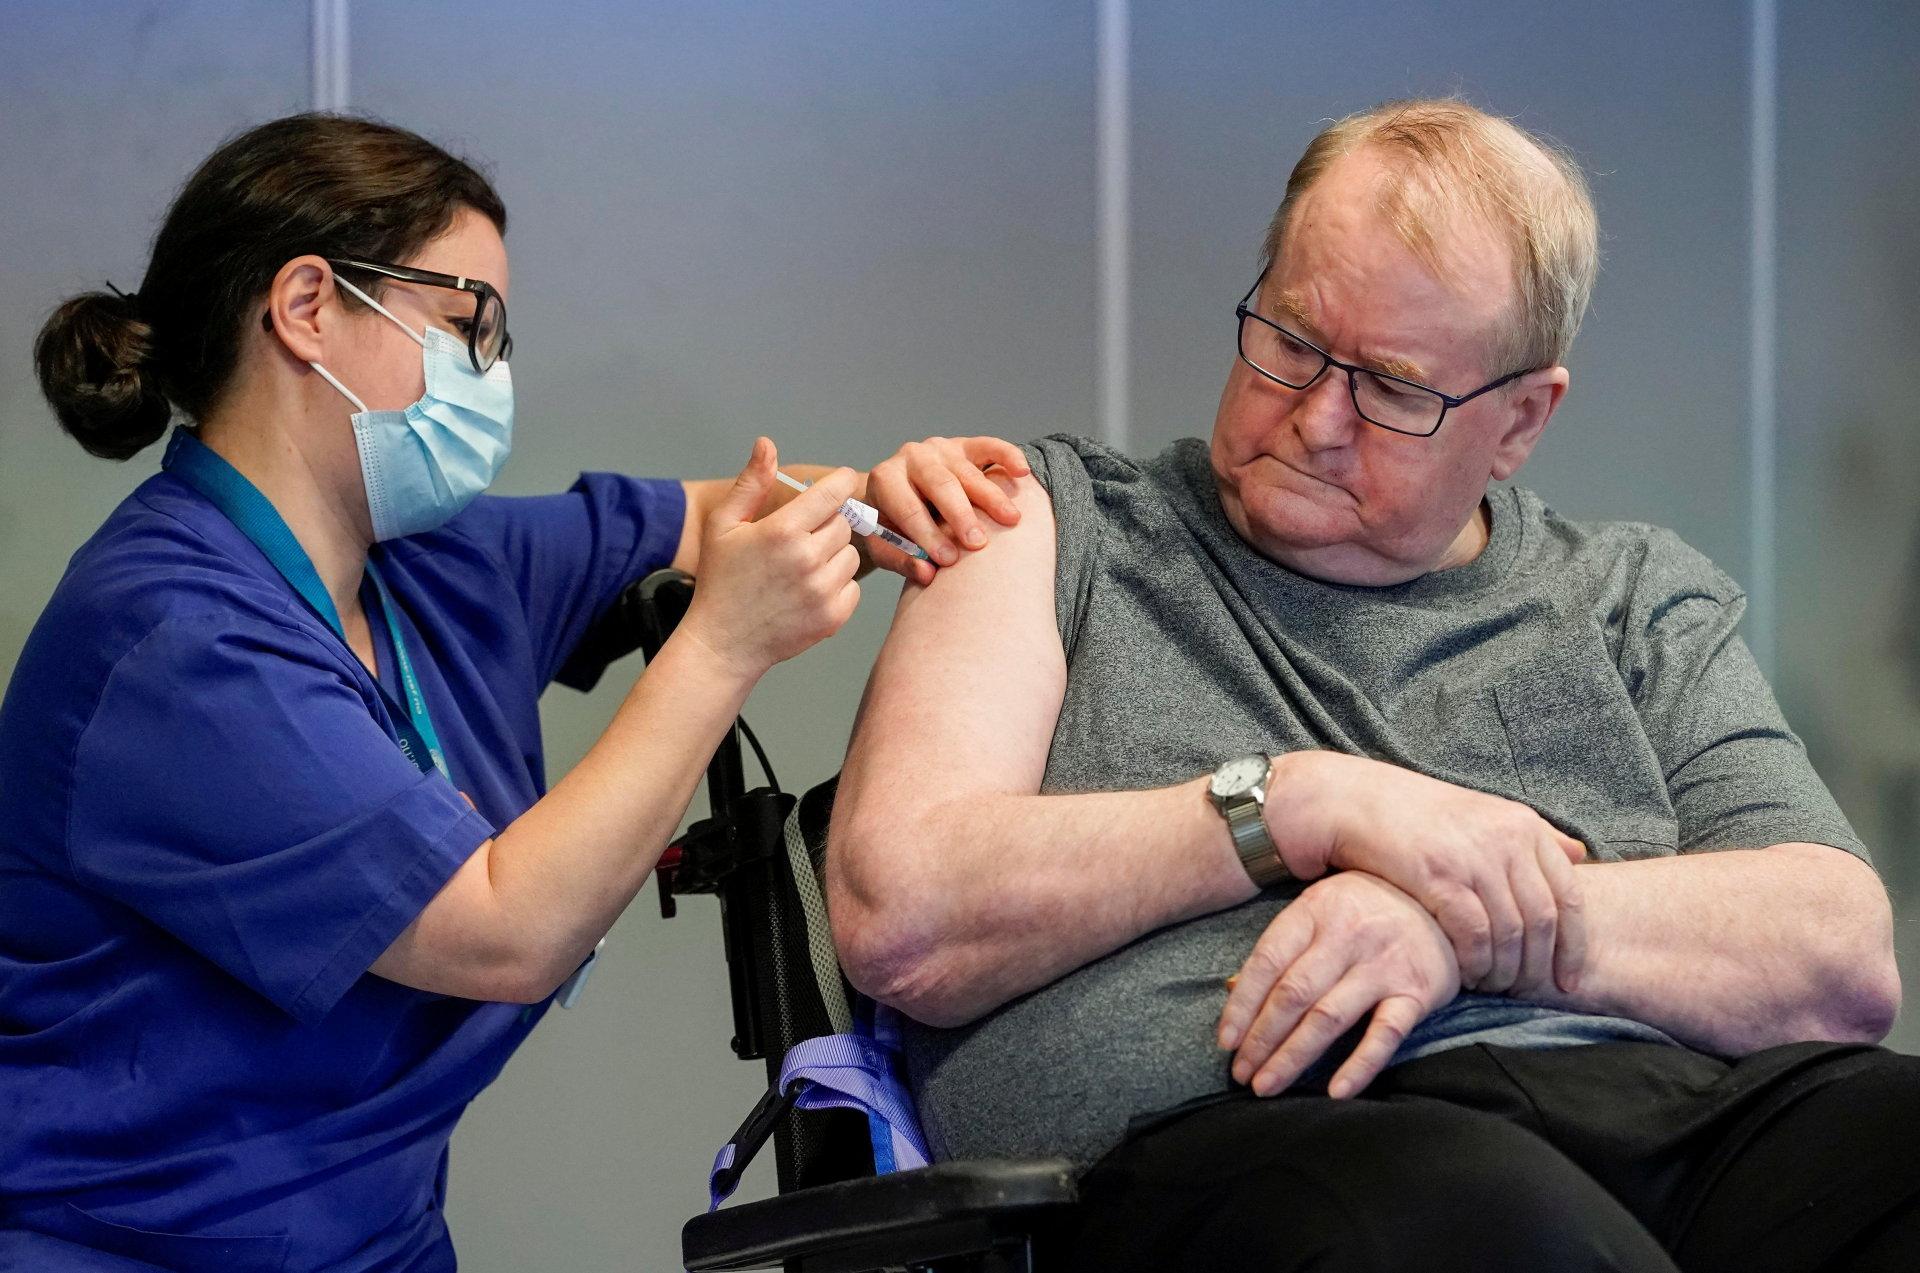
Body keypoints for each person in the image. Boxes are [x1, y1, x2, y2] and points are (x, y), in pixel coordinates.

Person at [826, 99, 1918, 1271]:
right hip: (1255, 1139)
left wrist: (1468, 927)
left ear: (1517, 422)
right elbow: (903, 912)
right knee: (1479, 1219)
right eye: (1291, 342)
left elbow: (1839, 957)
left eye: (1393, 388)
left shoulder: (1628, 593)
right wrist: (1292, 807)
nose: (1315, 420)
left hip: (1669, 1112)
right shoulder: (1045, 523)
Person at [0, 113, 1028, 1272]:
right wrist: (724, 644)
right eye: (462, 324)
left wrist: (884, 494)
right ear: (305, 308)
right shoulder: (172, 639)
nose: (489, 375)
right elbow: (503, 930)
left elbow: (716, 516)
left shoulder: (429, 567)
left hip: (373, 1244)